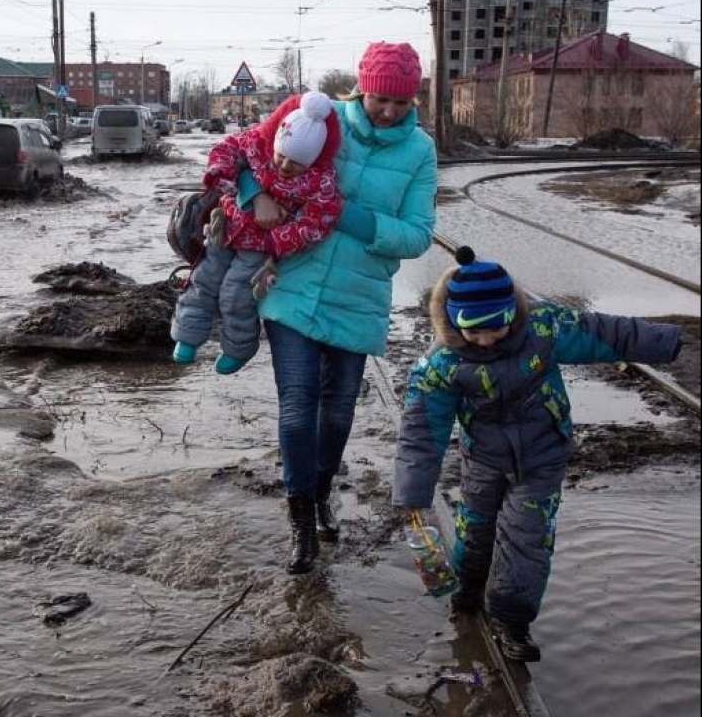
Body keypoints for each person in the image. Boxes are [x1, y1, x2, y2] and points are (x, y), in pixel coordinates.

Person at [392, 245, 683, 662]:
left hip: (541, 456)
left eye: (496, 327)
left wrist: (666, 341)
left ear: (512, 313)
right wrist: (413, 494)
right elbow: (421, 432)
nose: (487, 338)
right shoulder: (442, 365)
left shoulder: (544, 330)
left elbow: (605, 333)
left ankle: (512, 622)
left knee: (527, 538)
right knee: (476, 533)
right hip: (484, 461)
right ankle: (468, 595)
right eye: (475, 331)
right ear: (456, 323)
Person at [240, 41, 438, 574]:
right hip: (294, 284)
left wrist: (342, 216)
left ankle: (322, 489)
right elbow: (246, 151)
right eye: (380, 99)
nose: (389, 111)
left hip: (360, 296)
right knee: (299, 404)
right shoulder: (321, 119)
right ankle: (301, 516)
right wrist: (250, 196)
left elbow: (418, 235)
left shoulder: (420, 151)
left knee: (340, 410)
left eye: (400, 102)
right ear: (361, 89)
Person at [170, 90, 342, 375]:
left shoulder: (320, 181)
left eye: (297, 163)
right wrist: (225, 176)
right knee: (203, 280)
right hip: (223, 231)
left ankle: (238, 349)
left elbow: (319, 221)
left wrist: (277, 242)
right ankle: (187, 336)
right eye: (282, 156)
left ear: (312, 160)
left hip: (259, 247)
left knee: (236, 295)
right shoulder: (256, 144)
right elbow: (224, 152)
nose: (285, 166)